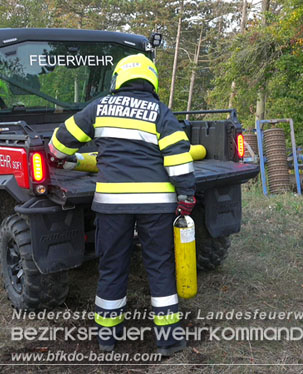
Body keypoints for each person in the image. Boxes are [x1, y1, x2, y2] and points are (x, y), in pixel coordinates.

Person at [48, 53, 196, 356]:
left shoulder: (99, 108)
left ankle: (106, 338)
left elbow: (59, 144)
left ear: (118, 78)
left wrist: (61, 157)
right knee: (159, 266)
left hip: (112, 206)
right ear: (151, 80)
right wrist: (186, 196)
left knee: (112, 266)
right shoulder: (160, 112)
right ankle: (168, 341)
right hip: (156, 206)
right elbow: (180, 159)